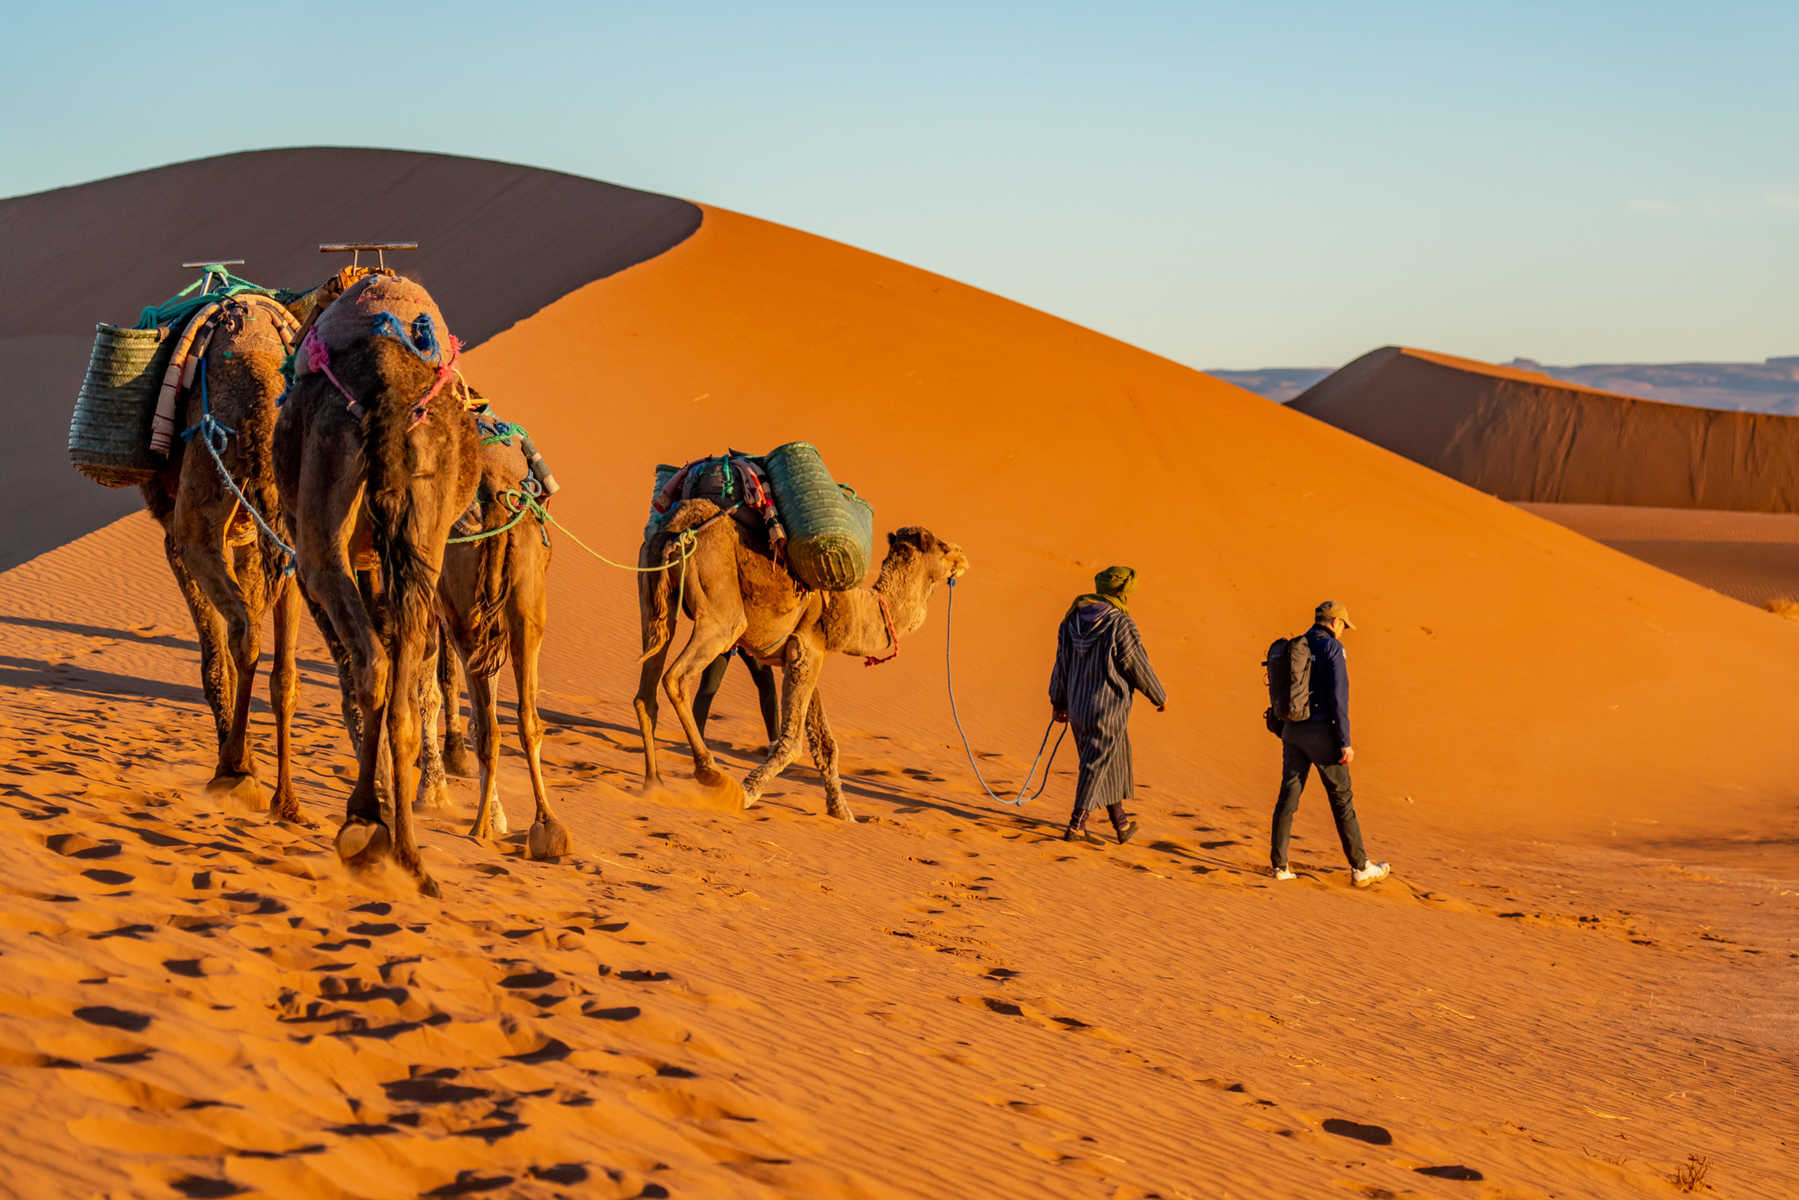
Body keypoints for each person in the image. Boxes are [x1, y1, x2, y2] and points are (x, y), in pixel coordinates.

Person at [1269, 601, 1390, 887]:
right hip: (1322, 733)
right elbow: (1339, 696)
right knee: (1342, 799)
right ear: (1335, 622)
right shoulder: (1333, 648)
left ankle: (1279, 866)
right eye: (1344, 626)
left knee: (1288, 796)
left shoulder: (1300, 643)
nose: (1344, 631)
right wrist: (1344, 741)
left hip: (1293, 730)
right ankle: (1361, 867)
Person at [1049, 566, 1167, 845]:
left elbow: (1061, 664)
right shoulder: (1120, 624)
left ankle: (1121, 824)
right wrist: (1158, 695)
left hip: (1078, 706)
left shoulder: (1071, 619)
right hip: (1107, 708)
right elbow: (1135, 663)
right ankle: (1076, 826)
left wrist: (1059, 700)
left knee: (1110, 760)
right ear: (1124, 591)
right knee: (1096, 764)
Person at [693, 648, 781, 750]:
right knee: (708, 687)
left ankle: (775, 743)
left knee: (767, 685)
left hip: (747, 638)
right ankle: (696, 741)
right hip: (723, 637)